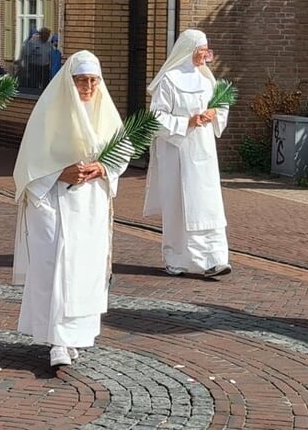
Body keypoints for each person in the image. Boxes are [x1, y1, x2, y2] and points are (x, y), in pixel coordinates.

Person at [14, 51, 128, 368]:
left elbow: (122, 150)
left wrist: (104, 168)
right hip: (54, 202)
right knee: (55, 268)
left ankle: (76, 335)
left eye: (93, 81)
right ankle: (57, 341)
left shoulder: (105, 112)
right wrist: (58, 173)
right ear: (70, 82)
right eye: (82, 81)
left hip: (91, 205)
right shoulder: (50, 112)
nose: (88, 87)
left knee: (84, 271)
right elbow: (29, 163)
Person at [143, 28, 231, 278]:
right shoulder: (169, 80)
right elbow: (156, 117)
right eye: (201, 52)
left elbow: (220, 105)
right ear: (189, 51)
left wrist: (214, 113)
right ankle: (176, 259)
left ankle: (215, 259)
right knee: (178, 205)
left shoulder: (207, 79)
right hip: (176, 151)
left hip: (203, 151)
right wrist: (186, 123)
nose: (205, 58)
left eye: (207, 53)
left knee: (208, 204)